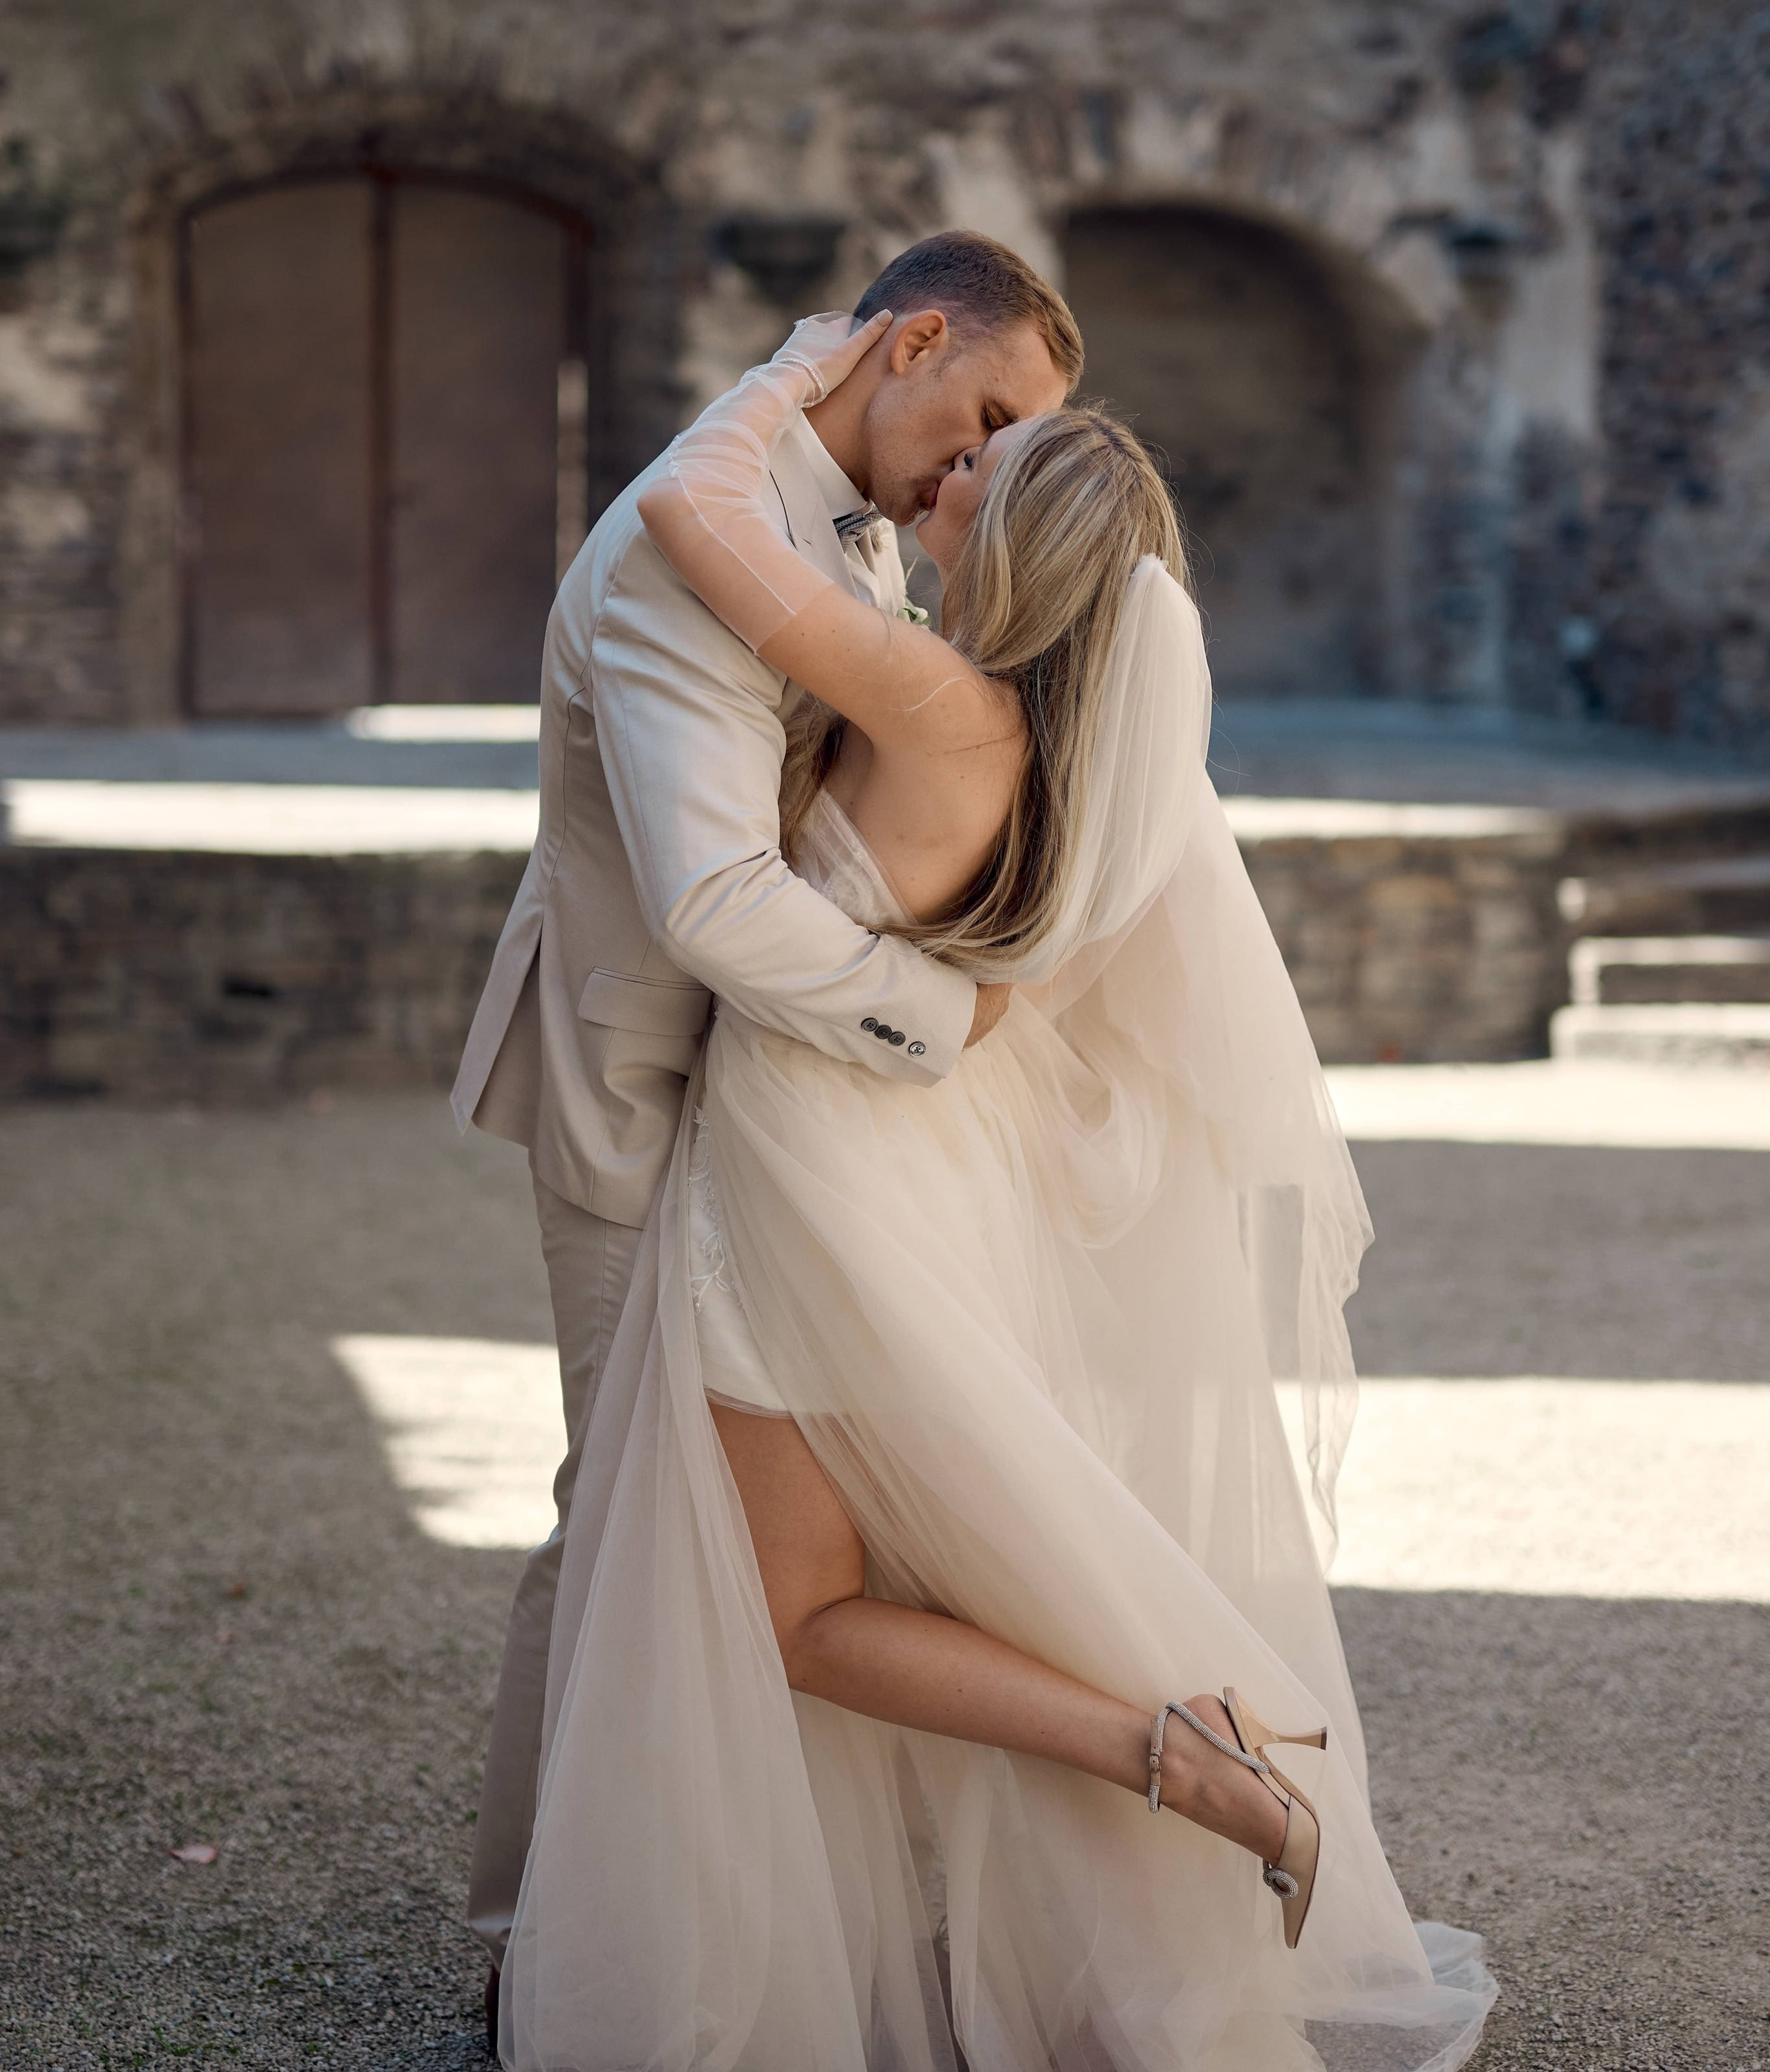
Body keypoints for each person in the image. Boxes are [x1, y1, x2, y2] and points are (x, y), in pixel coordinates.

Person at [494, 315, 1498, 2068]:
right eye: (973, 436)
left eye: (991, 466)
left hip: (798, 1168)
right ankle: (1170, 1758)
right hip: (898, 1162)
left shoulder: (933, 700)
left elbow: (679, 521)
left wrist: (792, 372)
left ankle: (1168, 1753)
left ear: (1018, 543)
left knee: (798, 1605)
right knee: (901, 1558)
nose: (953, 471)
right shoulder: (1045, 738)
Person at [449, 232, 1080, 2037]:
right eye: (982, 415)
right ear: (906, 343)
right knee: (626, 1533)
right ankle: (536, 1955)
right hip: (638, 1101)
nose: (982, 470)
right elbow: (718, 899)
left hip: (778, 1122)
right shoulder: (691, 536)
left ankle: (753, 1912)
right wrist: (945, 1025)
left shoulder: (850, 510)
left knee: (784, 1545)